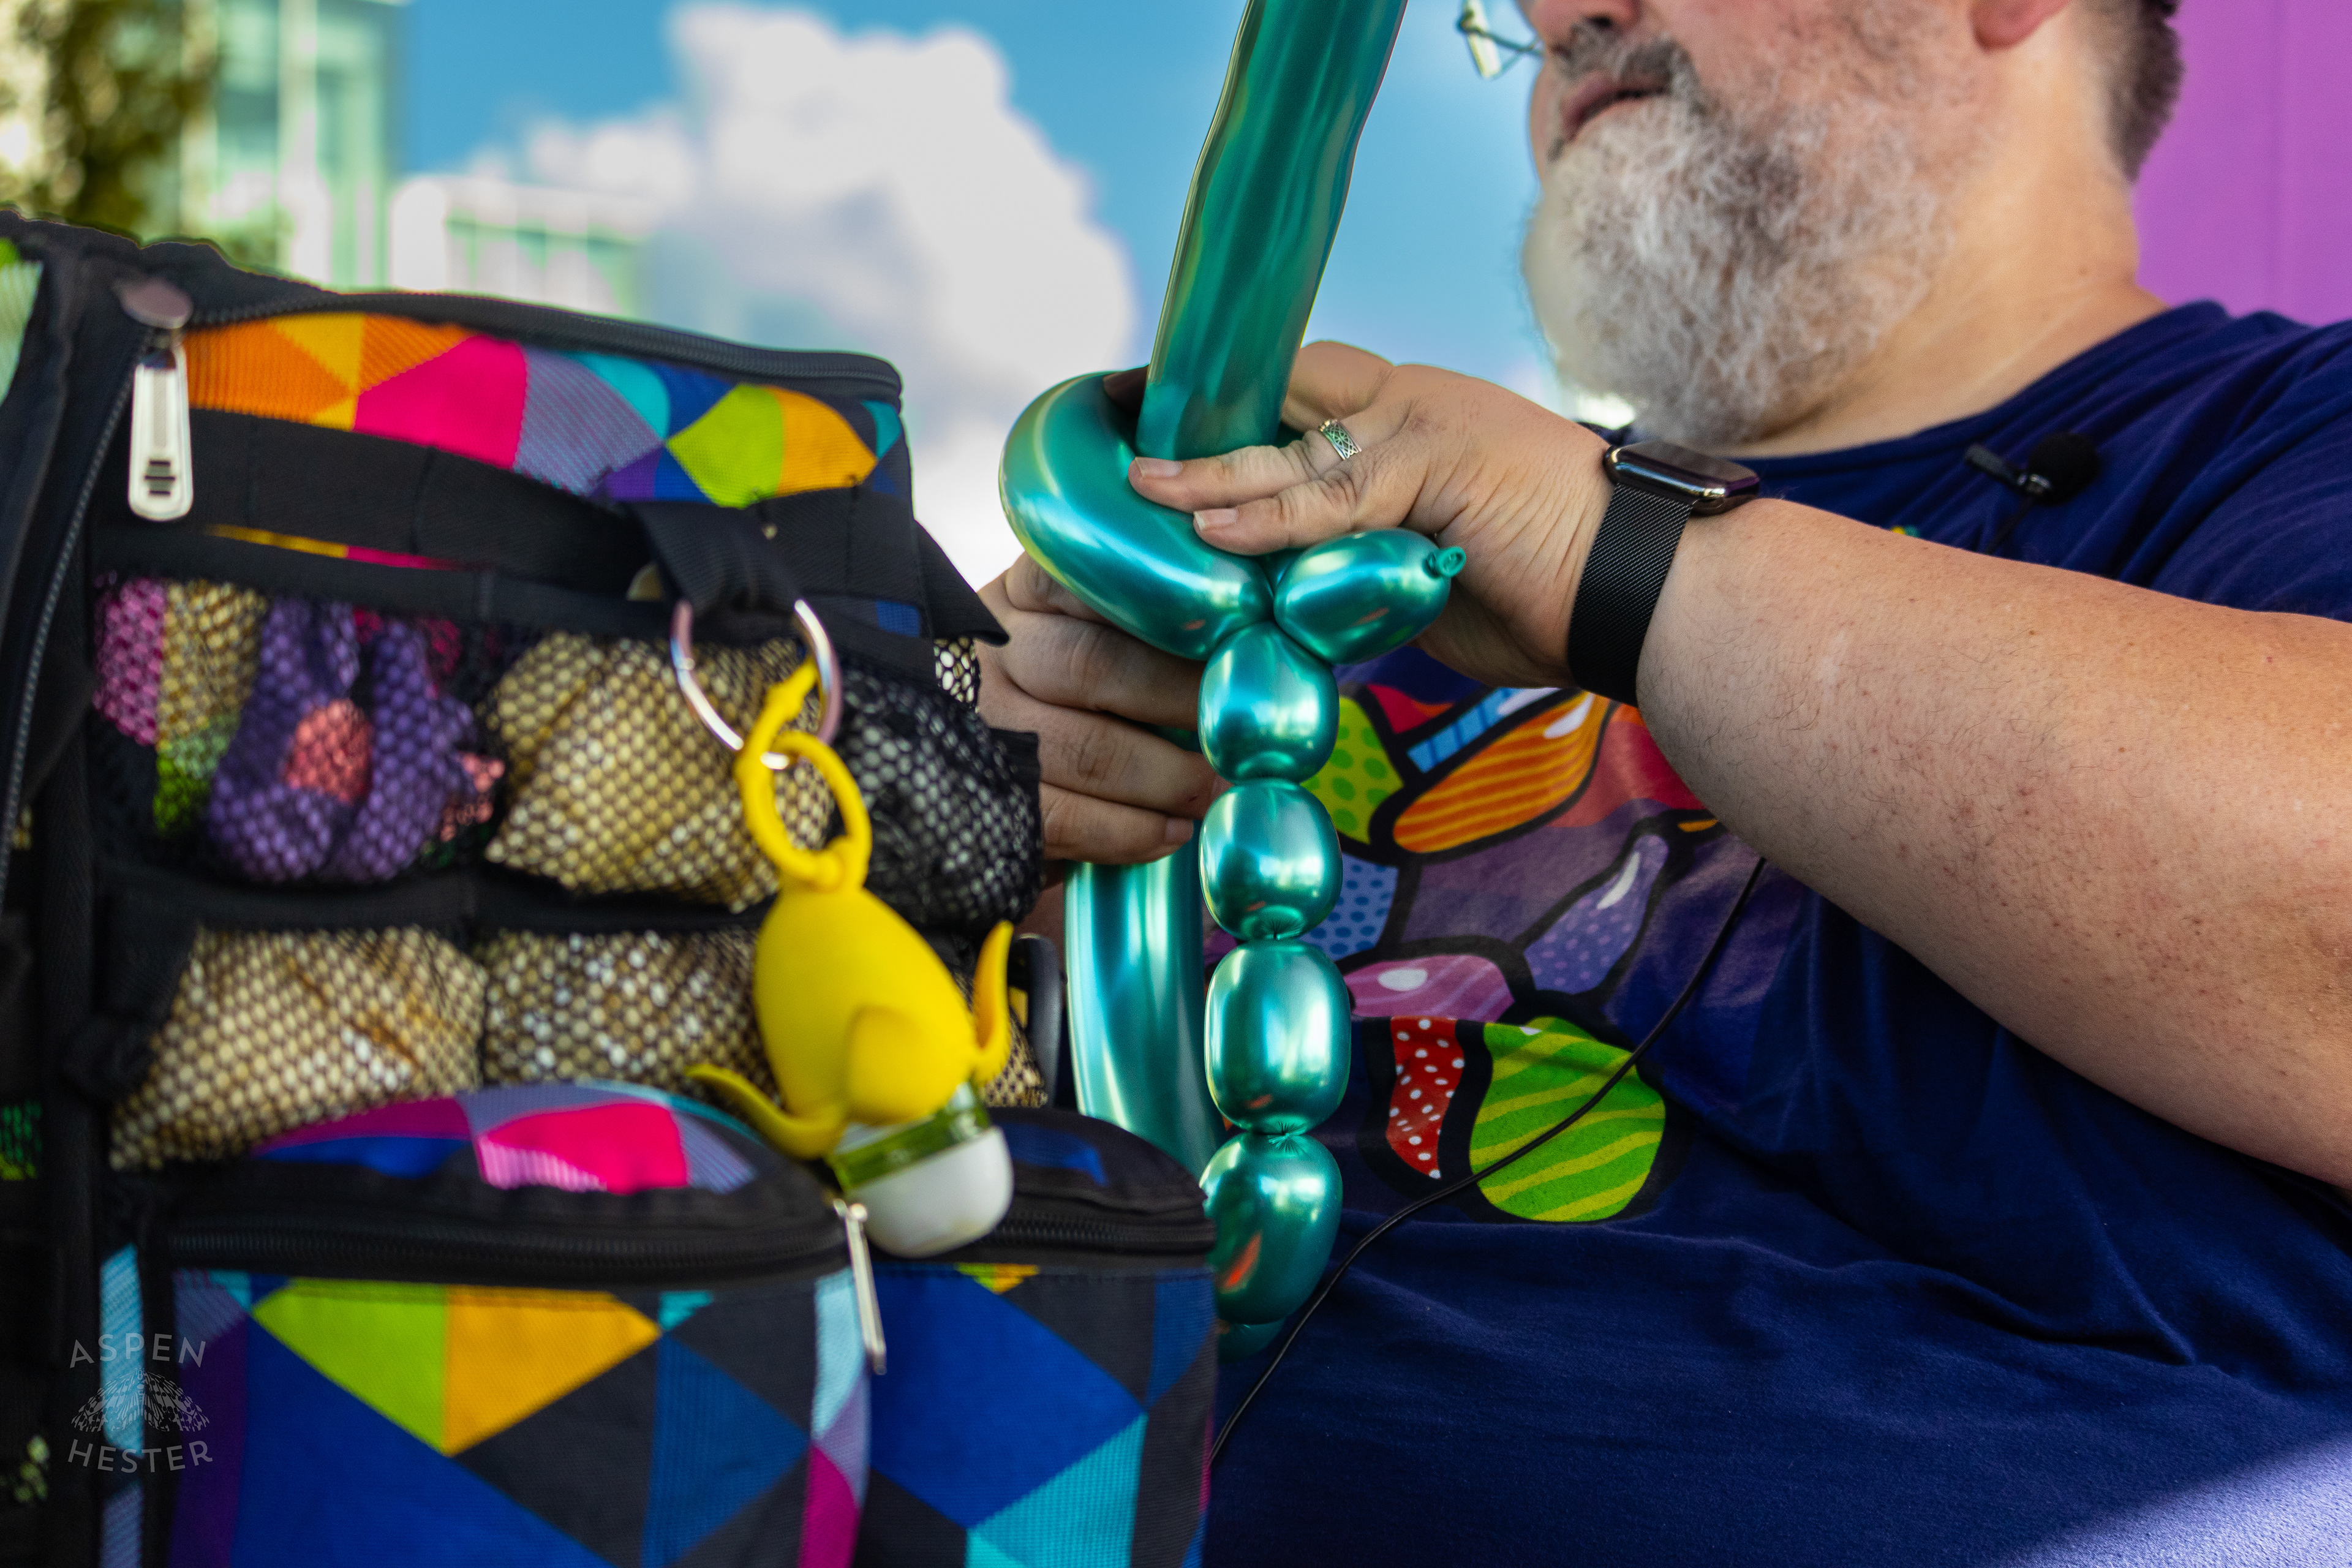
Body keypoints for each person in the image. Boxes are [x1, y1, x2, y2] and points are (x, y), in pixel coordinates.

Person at [980, 0, 2352, 1560]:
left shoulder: (2291, 438)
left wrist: (1607, 550)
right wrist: (999, 835)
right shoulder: (1406, 558)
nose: (1561, 21)